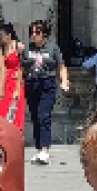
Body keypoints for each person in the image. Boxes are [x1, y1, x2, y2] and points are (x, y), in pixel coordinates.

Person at [23, 18, 69, 167]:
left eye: (37, 32)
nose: (33, 35)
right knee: (35, 116)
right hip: (32, 83)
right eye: (32, 32)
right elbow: (22, 68)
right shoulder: (28, 49)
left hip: (47, 83)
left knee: (44, 115)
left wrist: (64, 81)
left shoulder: (52, 48)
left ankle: (45, 149)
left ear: (44, 34)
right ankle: (39, 148)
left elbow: (61, 66)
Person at [0, 22, 26, 130]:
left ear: (9, 35)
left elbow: (24, 64)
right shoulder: (1, 48)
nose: (0, 38)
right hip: (4, 81)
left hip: (15, 81)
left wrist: (18, 86)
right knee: (0, 109)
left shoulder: (18, 46)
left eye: (2, 35)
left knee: (13, 110)